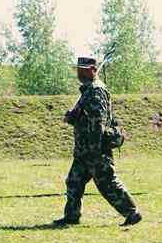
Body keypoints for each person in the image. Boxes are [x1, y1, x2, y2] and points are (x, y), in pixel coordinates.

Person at [52, 56, 141, 227]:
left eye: (83, 70)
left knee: (107, 183)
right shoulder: (88, 90)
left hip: (95, 149)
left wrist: (93, 149)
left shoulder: (96, 90)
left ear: (93, 70)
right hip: (85, 150)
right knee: (73, 181)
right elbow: (87, 118)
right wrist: (73, 117)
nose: (80, 73)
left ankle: (132, 213)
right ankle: (71, 216)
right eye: (78, 70)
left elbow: (97, 121)